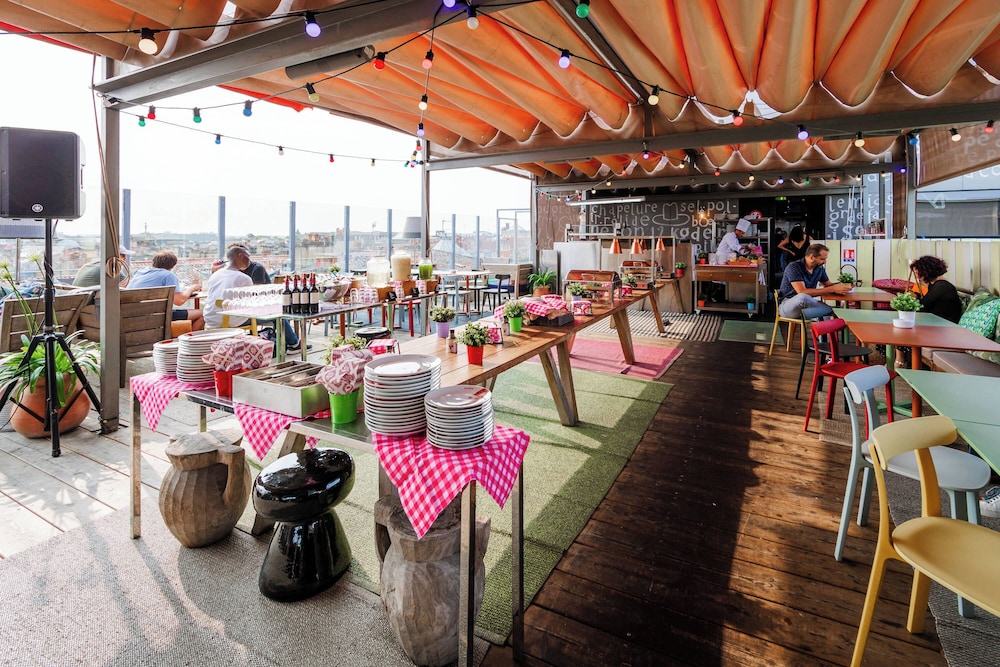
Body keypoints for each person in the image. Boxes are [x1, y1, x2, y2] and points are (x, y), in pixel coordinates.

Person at [128, 251, 204, 330]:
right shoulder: (168, 275)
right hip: (154, 316)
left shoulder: (141, 272)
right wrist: (192, 288)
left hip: (132, 316)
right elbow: (179, 301)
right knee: (203, 314)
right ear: (173, 265)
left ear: (153, 262)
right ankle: (187, 338)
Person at [777, 243, 852, 318]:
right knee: (803, 297)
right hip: (787, 306)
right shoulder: (794, 267)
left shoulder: (819, 269)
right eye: (822, 259)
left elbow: (828, 286)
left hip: (806, 309)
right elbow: (802, 291)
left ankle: (831, 312)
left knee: (825, 313)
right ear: (812, 257)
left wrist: (842, 287)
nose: (825, 262)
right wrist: (832, 289)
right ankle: (831, 310)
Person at [203, 246, 254, 329]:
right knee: (269, 315)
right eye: (248, 256)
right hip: (233, 321)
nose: (249, 260)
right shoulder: (244, 278)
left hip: (211, 319)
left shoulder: (215, 275)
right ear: (241, 256)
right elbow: (250, 303)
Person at [911, 255, 963, 323]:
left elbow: (922, 306)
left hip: (945, 323)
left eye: (917, 273)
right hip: (937, 319)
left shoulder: (941, 286)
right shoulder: (934, 284)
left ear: (926, 272)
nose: (917, 276)